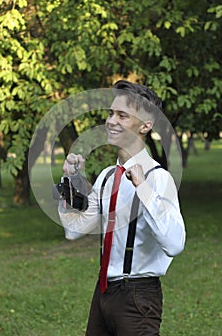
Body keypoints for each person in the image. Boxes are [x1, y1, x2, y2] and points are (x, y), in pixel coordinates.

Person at [58, 80, 186, 336]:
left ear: (145, 125)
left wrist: (143, 188)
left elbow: (175, 244)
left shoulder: (158, 179)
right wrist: (71, 182)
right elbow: (73, 230)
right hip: (103, 292)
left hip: (138, 297)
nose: (111, 121)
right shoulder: (107, 177)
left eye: (122, 115)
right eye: (110, 113)